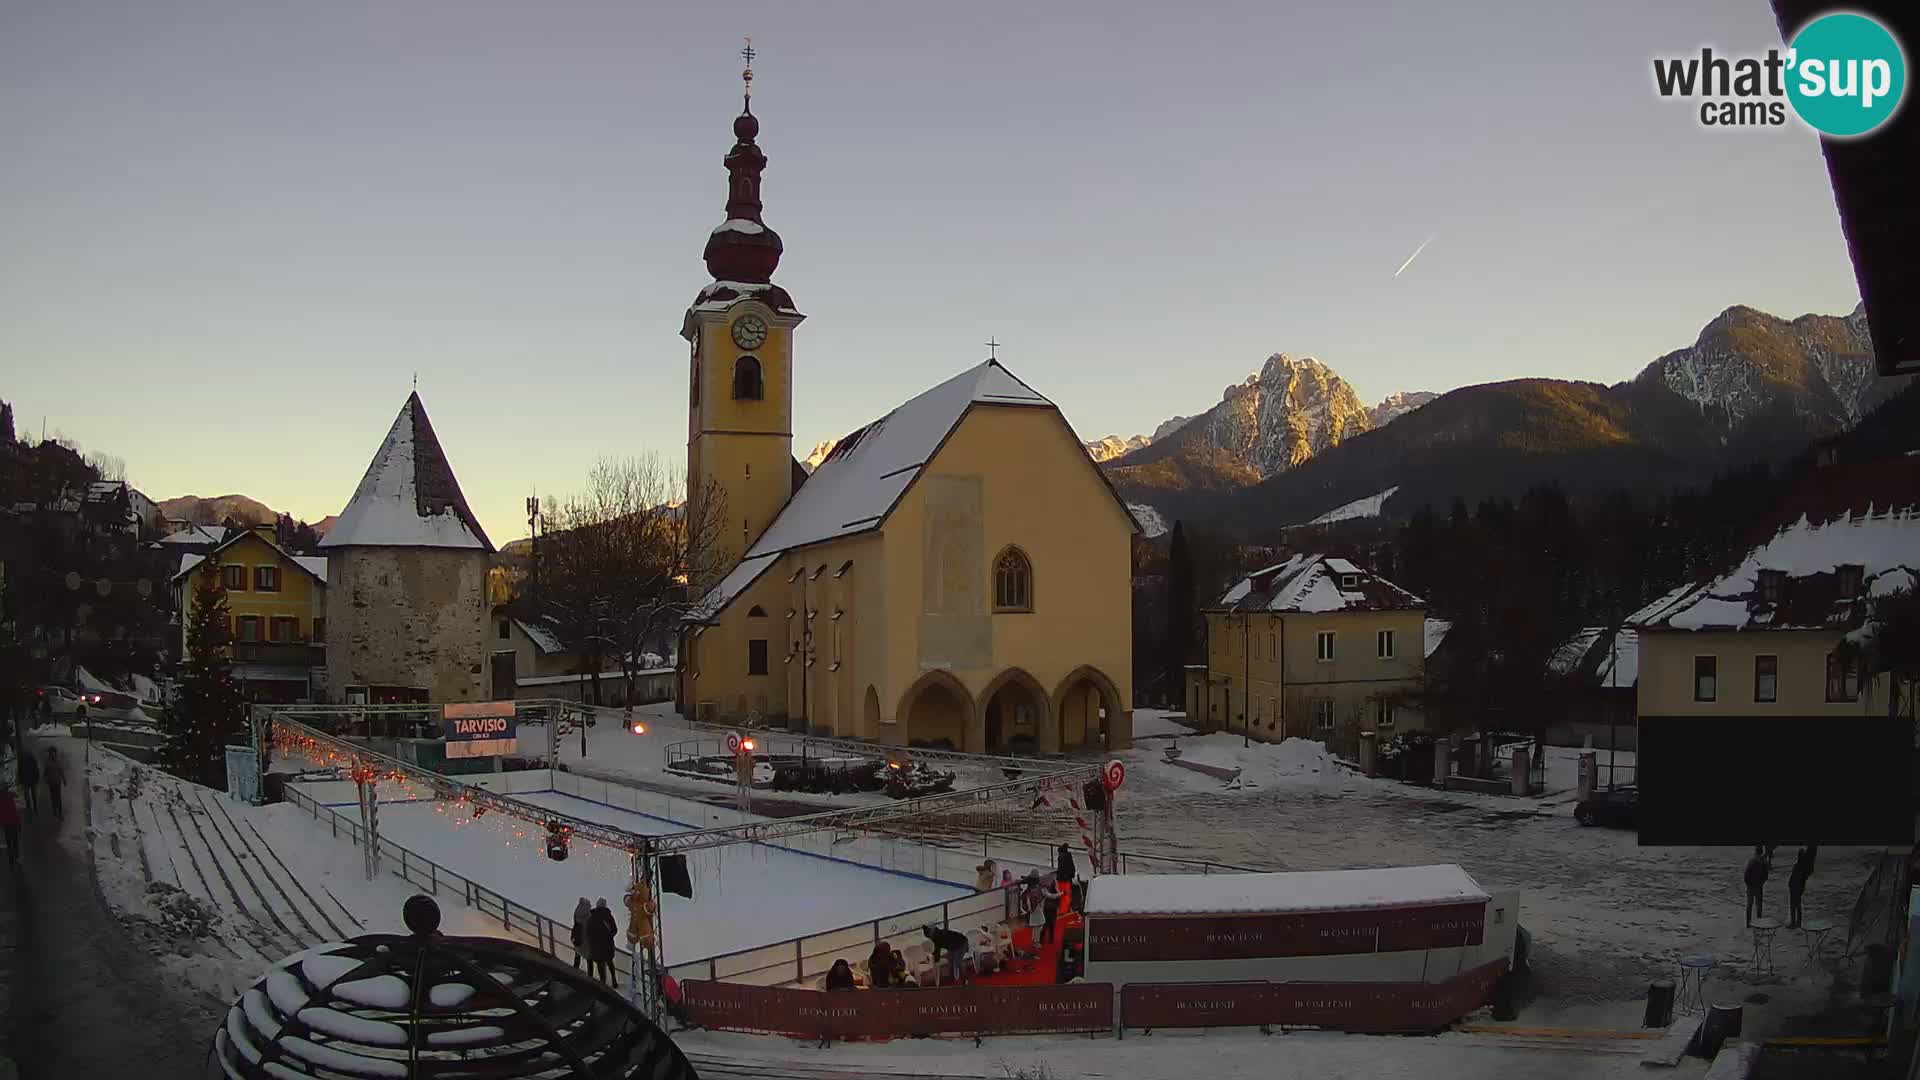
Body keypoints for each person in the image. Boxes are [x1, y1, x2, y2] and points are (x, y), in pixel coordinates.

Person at [587, 898, 619, 986]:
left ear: (597, 905)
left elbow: (588, 931)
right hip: (607, 944)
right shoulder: (608, 916)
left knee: (600, 965)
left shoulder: (591, 916)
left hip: (596, 946)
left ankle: (603, 985)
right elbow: (615, 930)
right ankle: (614, 980)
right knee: (610, 962)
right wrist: (608, 936)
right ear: (605, 905)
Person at [1788, 847, 1817, 929]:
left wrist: (1791, 885)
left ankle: (1795, 922)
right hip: (1797, 887)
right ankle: (1797, 922)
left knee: (1794, 906)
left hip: (1795, 888)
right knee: (1797, 905)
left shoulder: (1799, 866)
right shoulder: (1803, 867)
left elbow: (1796, 878)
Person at [1744, 846, 1770, 926]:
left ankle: (1748, 922)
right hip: (1759, 886)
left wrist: (1748, 884)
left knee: (1749, 905)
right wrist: (1761, 883)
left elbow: (1746, 874)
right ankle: (1759, 922)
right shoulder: (1764, 861)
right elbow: (1766, 875)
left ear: (1756, 851)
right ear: (1761, 852)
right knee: (1759, 905)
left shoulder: (1751, 861)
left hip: (1751, 886)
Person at [15, 750, 38, 823]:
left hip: (29, 780)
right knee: (30, 794)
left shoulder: (26, 760)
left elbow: (35, 769)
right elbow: (35, 769)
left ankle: (32, 807)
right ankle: (33, 807)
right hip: (29, 780)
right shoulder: (29, 759)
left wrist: (21, 780)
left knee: (30, 794)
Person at [570, 897, 592, 969]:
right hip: (585, 936)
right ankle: (590, 975)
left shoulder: (577, 910)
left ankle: (575, 968)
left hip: (577, 935)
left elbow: (577, 921)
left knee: (577, 952)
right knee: (588, 956)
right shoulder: (587, 913)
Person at [43, 747, 64, 821]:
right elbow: (45, 771)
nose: (52, 754)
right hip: (51, 782)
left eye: (53, 753)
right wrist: (44, 777)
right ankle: (55, 810)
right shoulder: (48, 762)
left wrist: (64, 779)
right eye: (51, 753)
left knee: (58, 797)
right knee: (53, 797)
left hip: (57, 782)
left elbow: (61, 770)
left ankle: (60, 812)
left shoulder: (57, 761)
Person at [0, 785, 19, 868]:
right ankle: (17, 856)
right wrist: (19, 823)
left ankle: (11, 859)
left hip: (6, 824)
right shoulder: (10, 798)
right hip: (13, 822)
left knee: (8, 841)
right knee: (15, 840)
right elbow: (14, 812)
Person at [1040, 877, 1063, 944]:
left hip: (1047, 908)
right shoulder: (1056, 892)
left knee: (1045, 924)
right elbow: (1057, 899)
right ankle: (1051, 939)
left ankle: (1042, 939)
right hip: (1053, 909)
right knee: (1052, 925)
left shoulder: (1047, 890)